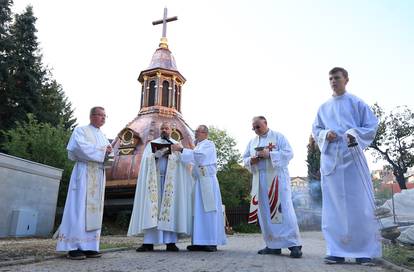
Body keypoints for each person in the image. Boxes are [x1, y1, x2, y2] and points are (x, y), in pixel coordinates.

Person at [312, 67, 380, 266]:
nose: (333, 81)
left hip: (352, 157)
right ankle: (335, 250)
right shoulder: (323, 107)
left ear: (346, 80)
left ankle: (365, 251)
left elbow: (371, 126)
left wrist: (354, 133)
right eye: (331, 78)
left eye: (337, 77)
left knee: (360, 205)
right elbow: (316, 130)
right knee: (334, 206)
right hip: (332, 159)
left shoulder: (357, 103)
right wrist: (326, 135)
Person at [56, 106, 112, 260]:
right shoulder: (80, 131)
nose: (103, 118)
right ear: (92, 116)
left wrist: (108, 152)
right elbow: (79, 148)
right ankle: (72, 246)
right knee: (78, 208)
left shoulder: (103, 136)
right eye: (100, 115)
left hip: (98, 174)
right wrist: (102, 151)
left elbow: (110, 153)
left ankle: (89, 246)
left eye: (105, 116)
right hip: (84, 173)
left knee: (94, 210)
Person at [128, 122, 193, 252]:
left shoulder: (177, 144)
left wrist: (175, 152)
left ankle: (170, 242)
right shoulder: (152, 144)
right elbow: (147, 160)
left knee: (170, 210)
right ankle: (149, 243)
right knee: (151, 210)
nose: (164, 130)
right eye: (162, 128)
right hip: (155, 182)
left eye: (166, 128)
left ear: (171, 130)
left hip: (172, 184)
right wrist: (159, 154)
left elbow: (185, 162)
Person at [243, 116, 302, 258]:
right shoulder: (252, 142)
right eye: (253, 127)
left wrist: (270, 154)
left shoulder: (278, 137)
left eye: (258, 126)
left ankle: (294, 244)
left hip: (276, 178)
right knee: (264, 212)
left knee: (283, 210)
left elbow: (289, 154)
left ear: (265, 123)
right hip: (260, 179)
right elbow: (244, 158)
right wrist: (252, 160)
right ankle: (272, 245)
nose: (255, 130)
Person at [172, 125, 227, 252]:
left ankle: (211, 242)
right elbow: (191, 159)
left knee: (208, 211)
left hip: (207, 181)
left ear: (205, 133)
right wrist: (179, 154)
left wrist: (181, 149)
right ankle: (198, 241)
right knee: (197, 212)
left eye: (198, 132)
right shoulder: (198, 146)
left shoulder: (208, 144)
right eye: (195, 131)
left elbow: (200, 157)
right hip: (198, 182)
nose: (195, 133)